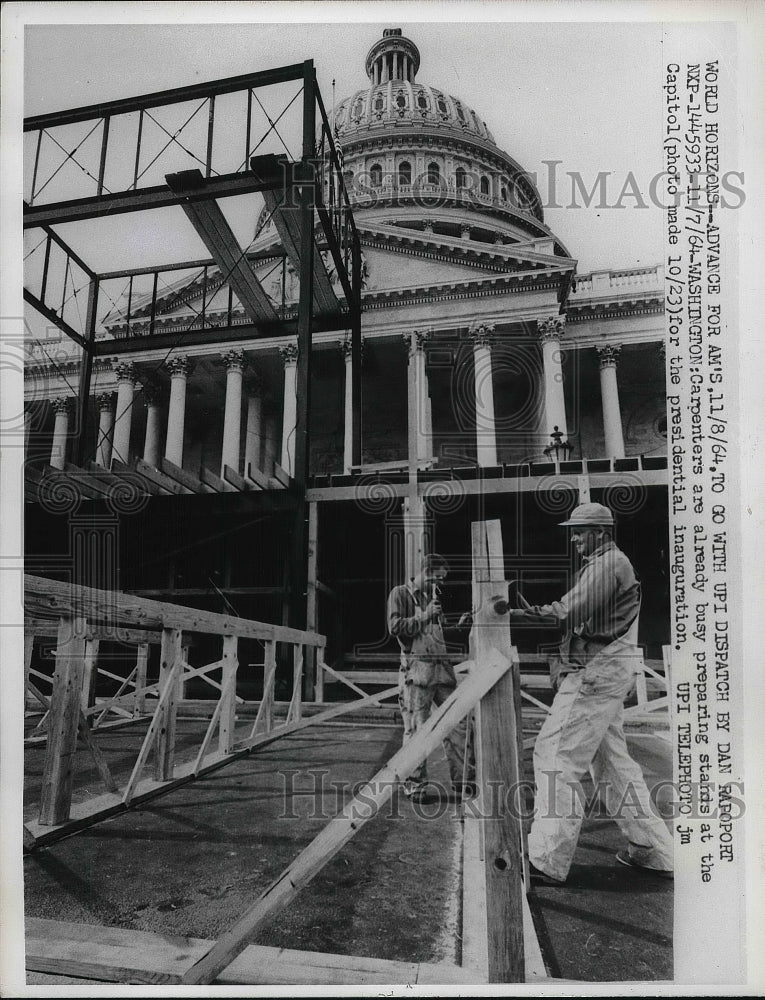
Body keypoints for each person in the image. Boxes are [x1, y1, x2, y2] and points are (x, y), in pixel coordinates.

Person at [496, 502, 674, 885]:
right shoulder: (609, 564)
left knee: (555, 754)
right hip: (608, 671)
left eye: (579, 532)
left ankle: (547, 859)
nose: (574, 539)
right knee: (614, 765)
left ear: (601, 532)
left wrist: (506, 616)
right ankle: (654, 850)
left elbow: (564, 614)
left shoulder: (608, 566)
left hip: (595, 672)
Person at [387, 553, 472, 800]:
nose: (441, 583)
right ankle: (415, 785)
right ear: (426, 571)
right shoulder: (400, 593)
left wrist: (458, 626)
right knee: (416, 730)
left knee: (458, 724)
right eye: (439, 577)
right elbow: (394, 627)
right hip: (417, 671)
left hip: (441, 671)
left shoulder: (430, 598)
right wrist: (424, 615)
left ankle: (463, 781)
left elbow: (436, 635)